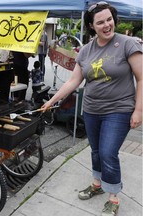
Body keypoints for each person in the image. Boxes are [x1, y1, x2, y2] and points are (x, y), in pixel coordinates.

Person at [42, 2, 142, 216]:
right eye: (100, 22)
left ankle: (113, 196)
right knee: (96, 150)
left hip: (119, 109)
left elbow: (141, 78)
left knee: (108, 152)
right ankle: (97, 184)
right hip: (91, 109)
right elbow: (73, 81)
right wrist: (52, 101)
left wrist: (139, 110)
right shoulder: (86, 51)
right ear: (91, 26)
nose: (107, 25)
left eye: (109, 19)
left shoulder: (128, 43)